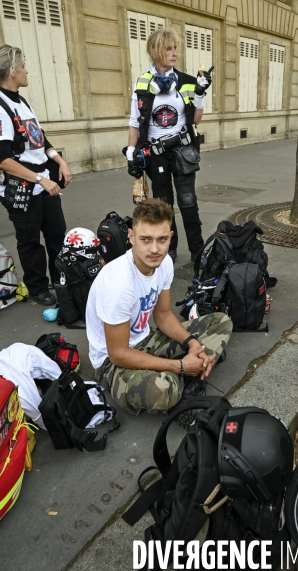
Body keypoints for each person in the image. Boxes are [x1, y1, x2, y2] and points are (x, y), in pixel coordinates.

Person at [86, 198, 232, 415]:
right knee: (165, 387)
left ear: (170, 237)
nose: (154, 249)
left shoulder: (163, 264)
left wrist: (192, 344)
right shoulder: (118, 283)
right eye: (146, 239)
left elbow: (162, 315)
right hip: (112, 364)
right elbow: (118, 354)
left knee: (221, 321)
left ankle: (193, 365)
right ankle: (190, 371)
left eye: (162, 239)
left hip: (148, 340)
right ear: (131, 237)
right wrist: (180, 367)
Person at [126, 28, 213, 264]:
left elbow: (195, 119)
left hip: (182, 151)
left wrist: (200, 93)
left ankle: (197, 251)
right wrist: (131, 154)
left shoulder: (186, 81)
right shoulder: (143, 82)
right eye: (169, 48)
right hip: (155, 154)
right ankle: (168, 250)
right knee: (163, 206)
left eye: (176, 48)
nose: (175, 53)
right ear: (155, 51)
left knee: (188, 203)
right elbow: (135, 123)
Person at [0, 44, 72, 305]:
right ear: (12, 69)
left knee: (56, 234)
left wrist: (60, 161)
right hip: (23, 187)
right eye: (24, 65)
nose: (27, 71)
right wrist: (40, 178)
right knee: (29, 240)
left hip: (44, 182)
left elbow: (40, 140)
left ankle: (62, 282)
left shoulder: (21, 100)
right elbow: (1, 158)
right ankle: (38, 289)